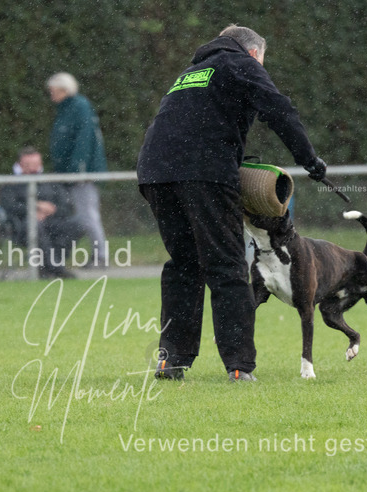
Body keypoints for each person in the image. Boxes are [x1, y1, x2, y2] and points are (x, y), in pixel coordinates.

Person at [136, 24, 328, 382]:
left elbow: (193, 124)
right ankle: (239, 366)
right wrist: (309, 160)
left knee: (184, 265)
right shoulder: (239, 62)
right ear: (254, 53)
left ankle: (172, 359)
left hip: (155, 173)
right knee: (226, 264)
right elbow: (279, 109)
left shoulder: (192, 73)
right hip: (202, 171)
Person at [46, 72, 108, 264]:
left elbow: (84, 141)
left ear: (65, 90)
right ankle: (59, 257)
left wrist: (78, 171)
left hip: (80, 175)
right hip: (67, 174)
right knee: (76, 215)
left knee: (87, 214)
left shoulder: (79, 107)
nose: (51, 95)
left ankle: (100, 256)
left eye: (54, 91)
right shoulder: (65, 110)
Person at [0, 146, 83, 279]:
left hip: (51, 221)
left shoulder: (50, 181)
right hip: (21, 226)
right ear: (20, 164)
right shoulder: (10, 183)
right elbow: (9, 207)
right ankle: (55, 269)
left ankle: (49, 267)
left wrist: (52, 209)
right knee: (35, 226)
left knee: (76, 224)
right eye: (28, 165)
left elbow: (67, 207)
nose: (33, 169)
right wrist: (33, 207)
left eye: (36, 164)